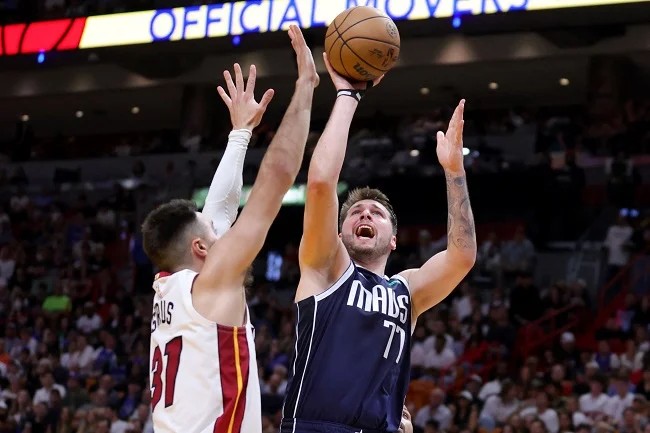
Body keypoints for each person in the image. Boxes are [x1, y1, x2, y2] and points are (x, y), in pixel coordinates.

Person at [280, 54, 477, 433]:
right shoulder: (325, 267)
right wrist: (347, 94)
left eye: (376, 213)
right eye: (355, 212)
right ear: (338, 234)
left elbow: (462, 256)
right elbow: (321, 181)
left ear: (393, 240)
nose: (365, 215)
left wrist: (454, 171)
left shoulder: (406, 292)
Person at [142, 25, 319, 433]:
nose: (224, 228)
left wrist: (241, 134)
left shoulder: (168, 289)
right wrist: (307, 86)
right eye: (214, 231)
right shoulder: (210, 284)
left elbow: (218, 210)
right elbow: (275, 178)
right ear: (203, 248)